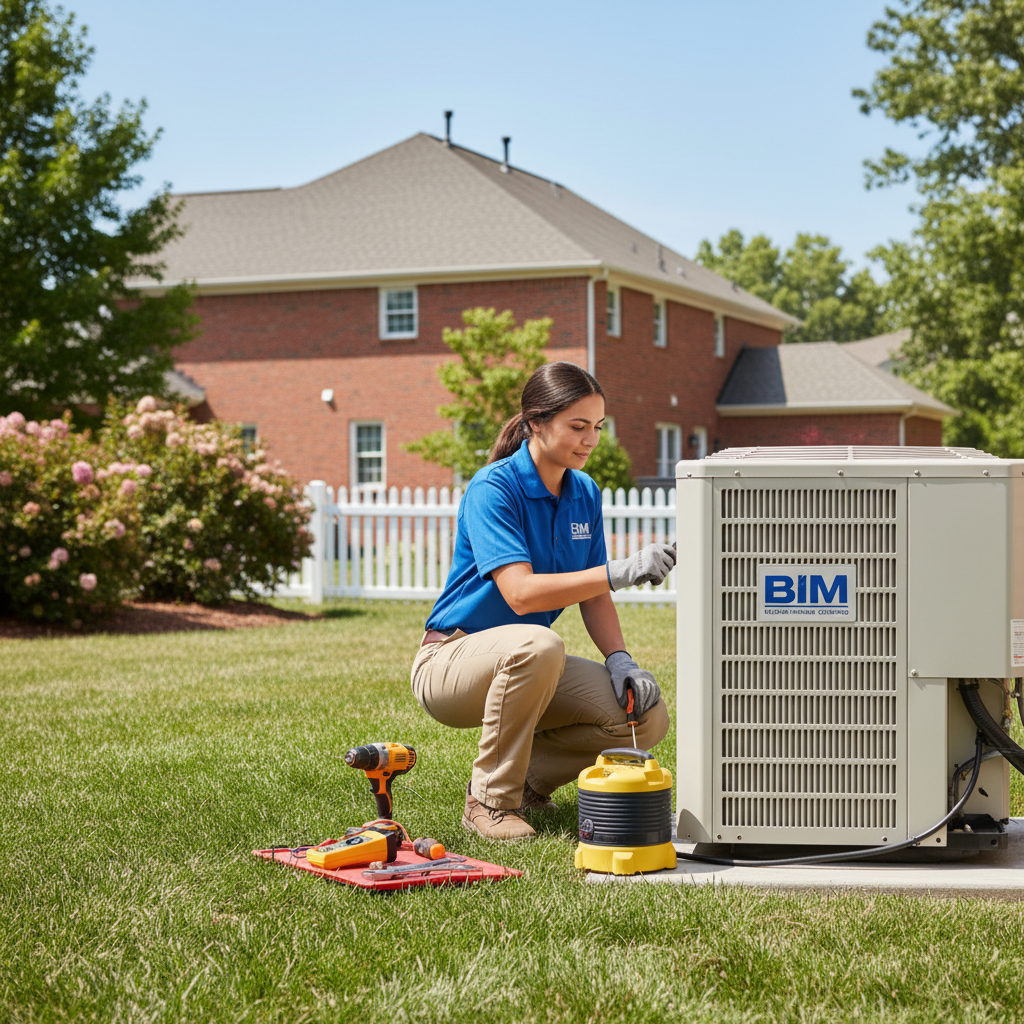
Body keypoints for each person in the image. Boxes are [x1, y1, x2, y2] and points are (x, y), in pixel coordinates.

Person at [409, 361, 676, 839]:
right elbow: (520, 593)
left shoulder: (584, 492)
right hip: (449, 662)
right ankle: (489, 801)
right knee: (539, 642)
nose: (590, 439)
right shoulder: (495, 487)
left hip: (527, 664)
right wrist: (621, 571)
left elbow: (594, 595)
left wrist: (620, 660)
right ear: (536, 422)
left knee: (644, 716)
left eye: (597, 427)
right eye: (577, 426)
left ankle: (529, 783)